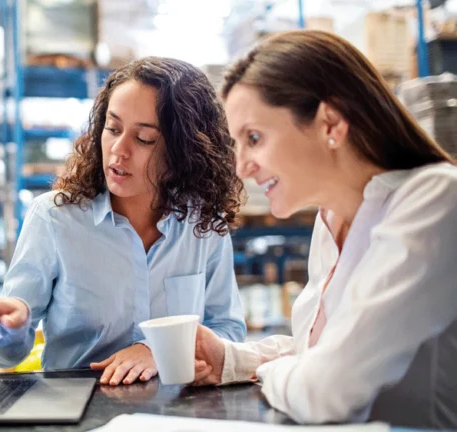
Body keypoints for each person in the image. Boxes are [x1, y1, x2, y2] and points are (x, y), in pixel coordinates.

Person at [190, 30, 457, 428]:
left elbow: (324, 391)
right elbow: (322, 349)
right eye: (237, 145)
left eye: (255, 138)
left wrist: (269, 372)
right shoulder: (330, 219)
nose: (241, 167)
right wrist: (231, 359)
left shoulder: (435, 200)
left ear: (330, 123)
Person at [0, 56, 246, 386]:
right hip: (78, 407)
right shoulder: (54, 218)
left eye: (144, 138)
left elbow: (228, 330)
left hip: (176, 407)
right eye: (113, 128)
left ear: (184, 150)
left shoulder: (203, 224)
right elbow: (7, 356)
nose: (119, 150)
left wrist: (157, 350)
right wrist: (13, 327)